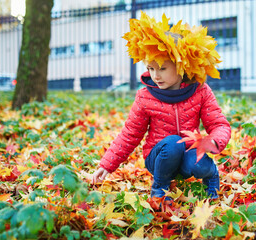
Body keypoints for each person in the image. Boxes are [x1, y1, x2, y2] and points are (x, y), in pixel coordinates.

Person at [92, 11, 231, 199]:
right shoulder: (145, 96)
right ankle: (160, 188)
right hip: (158, 157)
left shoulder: (200, 91)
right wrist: (106, 165)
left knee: (199, 164)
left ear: (181, 66)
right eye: (151, 68)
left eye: (162, 68)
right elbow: (130, 134)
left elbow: (219, 124)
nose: (155, 75)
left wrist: (214, 141)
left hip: (189, 152)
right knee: (173, 143)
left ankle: (211, 175)